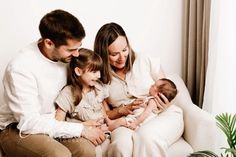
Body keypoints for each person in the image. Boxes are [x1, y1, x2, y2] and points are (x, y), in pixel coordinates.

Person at [0, 9, 105, 157]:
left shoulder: (67, 58)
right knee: (59, 154)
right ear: (49, 43)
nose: (76, 54)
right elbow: (29, 123)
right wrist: (80, 129)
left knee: (86, 150)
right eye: (71, 49)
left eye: (78, 48)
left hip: (55, 122)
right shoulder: (20, 68)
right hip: (17, 128)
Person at [93, 22, 184, 157]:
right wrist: (122, 110)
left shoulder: (145, 60)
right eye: (114, 54)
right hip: (127, 120)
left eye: (124, 50)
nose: (122, 57)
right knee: (121, 146)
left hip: (162, 115)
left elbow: (168, 89)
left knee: (147, 136)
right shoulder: (98, 77)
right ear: (103, 54)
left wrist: (165, 104)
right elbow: (105, 113)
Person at [55, 48, 111, 157]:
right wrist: (84, 125)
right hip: (82, 135)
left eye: (99, 71)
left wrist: (110, 123)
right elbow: (57, 125)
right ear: (78, 71)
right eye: (94, 72)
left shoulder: (98, 88)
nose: (99, 75)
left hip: (103, 131)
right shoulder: (68, 93)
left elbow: (104, 114)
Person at [107, 78, 178, 131]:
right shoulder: (150, 99)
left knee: (121, 121)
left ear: (158, 93)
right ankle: (111, 123)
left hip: (138, 122)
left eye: (153, 85)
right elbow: (146, 108)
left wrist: (135, 123)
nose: (151, 85)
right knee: (121, 120)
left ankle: (108, 130)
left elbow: (146, 113)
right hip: (134, 117)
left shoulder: (153, 101)